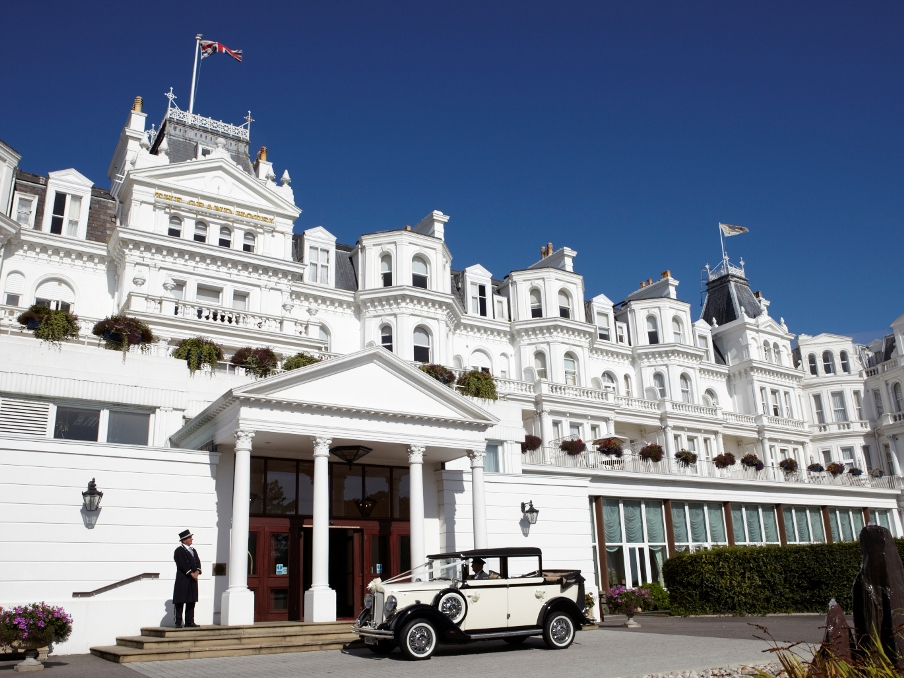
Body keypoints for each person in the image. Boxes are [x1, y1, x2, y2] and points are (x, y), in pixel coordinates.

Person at [173, 529, 202, 628]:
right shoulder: (179, 551)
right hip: (183, 579)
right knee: (180, 600)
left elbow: (197, 562)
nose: (191, 539)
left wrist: (197, 571)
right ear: (184, 540)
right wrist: (190, 573)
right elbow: (181, 563)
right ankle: (178, 622)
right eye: (189, 537)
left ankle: (190, 621)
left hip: (192, 579)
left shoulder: (193, 550)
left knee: (191, 600)